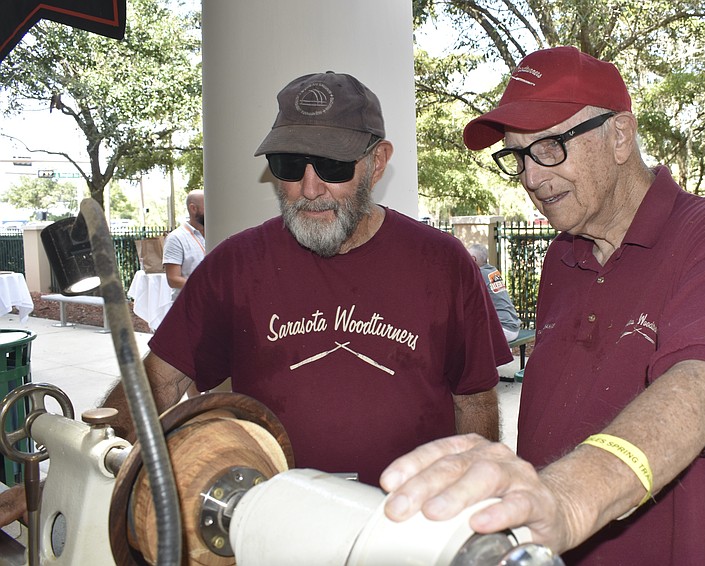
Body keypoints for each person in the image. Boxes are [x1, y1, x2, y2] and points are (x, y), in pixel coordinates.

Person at [380, 46, 705, 565]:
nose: (530, 178)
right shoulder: (562, 256)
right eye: (517, 156)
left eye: (550, 146)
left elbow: (699, 394)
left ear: (620, 136)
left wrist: (563, 502)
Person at [101, 71, 512, 487]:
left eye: (334, 166)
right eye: (290, 165)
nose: (310, 188)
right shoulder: (234, 265)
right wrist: (98, 459)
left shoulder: (442, 263)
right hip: (271, 512)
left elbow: (474, 400)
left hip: (408, 514)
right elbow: (160, 380)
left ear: (377, 163)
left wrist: (476, 499)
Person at [467, 243, 520, 342]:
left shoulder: (479, 275)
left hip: (502, 329)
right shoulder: (492, 271)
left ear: (473, 259)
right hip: (512, 326)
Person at [162, 189, 205, 300]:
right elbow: (173, 279)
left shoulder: (215, 234)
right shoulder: (176, 238)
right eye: (207, 206)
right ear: (193, 208)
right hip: (189, 303)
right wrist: (204, 286)